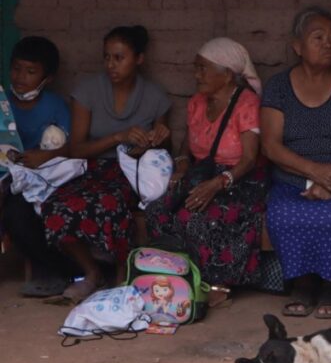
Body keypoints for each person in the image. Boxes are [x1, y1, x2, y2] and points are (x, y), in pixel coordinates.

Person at [41, 25, 171, 303]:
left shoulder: (155, 96)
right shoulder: (88, 91)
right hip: (90, 168)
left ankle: (121, 277)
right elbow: (77, 148)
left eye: (119, 58)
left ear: (139, 59)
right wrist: (117, 136)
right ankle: (91, 273)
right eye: (107, 57)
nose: (111, 65)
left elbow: (161, 153)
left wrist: (156, 138)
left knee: (112, 204)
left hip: (129, 173)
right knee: (55, 205)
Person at [261, 6, 331, 319]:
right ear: (297, 46)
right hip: (294, 177)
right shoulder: (279, 87)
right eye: (318, 37)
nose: (328, 44)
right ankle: (303, 283)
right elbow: (270, 145)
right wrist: (314, 172)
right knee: (283, 214)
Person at [145, 38, 265, 306]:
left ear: (226, 75)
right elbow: (189, 141)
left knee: (195, 218)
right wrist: (182, 163)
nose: (196, 75)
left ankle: (216, 284)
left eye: (203, 68)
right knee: (157, 211)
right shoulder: (197, 102)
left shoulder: (246, 104)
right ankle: (177, 276)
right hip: (202, 173)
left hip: (239, 179)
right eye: (195, 68)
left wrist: (218, 183)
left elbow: (248, 159)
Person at [1, 36, 75, 297]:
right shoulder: (3, 104)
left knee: (18, 214)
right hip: (7, 175)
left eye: (31, 71)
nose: (21, 77)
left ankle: (55, 270)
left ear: (48, 77)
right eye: (17, 68)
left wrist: (45, 157)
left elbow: (72, 146)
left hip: (41, 177)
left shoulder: (55, 106)